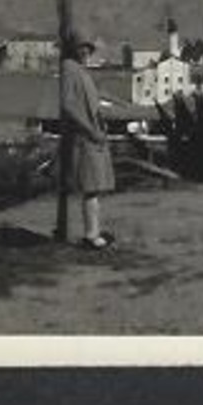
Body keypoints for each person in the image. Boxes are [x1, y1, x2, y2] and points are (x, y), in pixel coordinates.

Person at [60, 34, 116, 249]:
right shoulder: (69, 68)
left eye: (87, 48)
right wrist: (90, 129)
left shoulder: (79, 70)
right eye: (80, 47)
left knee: (94, 187)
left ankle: (94, 233)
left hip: (91, 135)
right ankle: (91, 236)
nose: (84, 51)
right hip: (84, 137)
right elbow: (68, 105)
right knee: (90, 187)